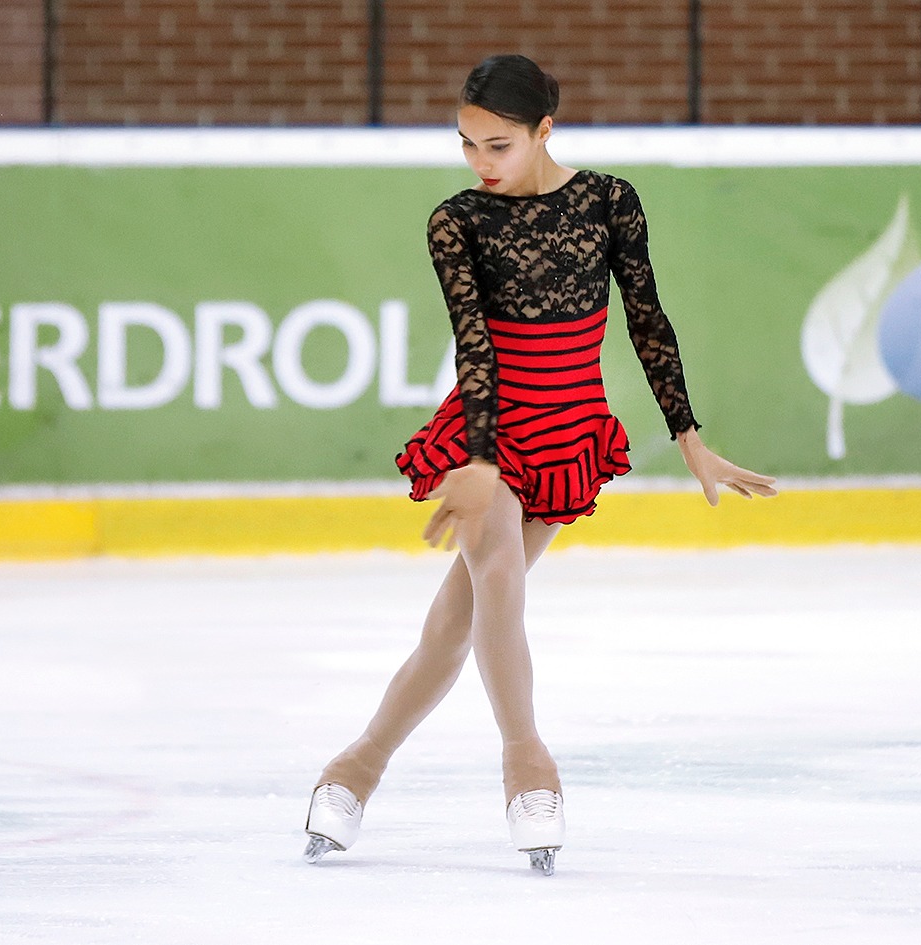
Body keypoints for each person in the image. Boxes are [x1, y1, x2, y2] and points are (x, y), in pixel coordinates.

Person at [302, 54, 778, 874]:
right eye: (466, 145)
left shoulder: (606, 201)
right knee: (495, 579)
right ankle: (527, 764)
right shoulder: (455, 221)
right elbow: (473, 345)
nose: (479, 162)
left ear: (542, 132)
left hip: (568, 431)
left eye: (497, 144)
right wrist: (480, 458)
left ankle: (357, 765)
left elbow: (646, 319)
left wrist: (688, 437)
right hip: (489, 425)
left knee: (457, 620)